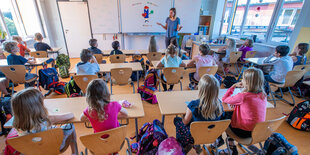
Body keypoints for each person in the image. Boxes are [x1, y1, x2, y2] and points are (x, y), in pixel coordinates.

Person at [4, 88, 78, 155]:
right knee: (70, 125)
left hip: (29, 151)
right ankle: (74, 153)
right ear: (37, 107)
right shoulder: (46, 120)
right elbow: (70, 115)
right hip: (52, 148)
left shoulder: (17, 123)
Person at [174, 74, 225, 154]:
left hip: (193, 136)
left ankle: (184, 145)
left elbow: (185, 122)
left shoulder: (193, 105)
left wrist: (183, 115)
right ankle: (196, 145)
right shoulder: (219, 105)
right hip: (212, 136)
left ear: (201, 89)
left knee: (177, 120)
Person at [221, 67, 267, 154]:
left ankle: (231, 147)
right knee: (233, 113)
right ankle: (250, 146)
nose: (242, 80)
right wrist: (237, 104)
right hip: (258, 132)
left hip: (243, 133)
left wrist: (233, 86)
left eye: (243, 78)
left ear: (247, 82)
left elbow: (224, 99)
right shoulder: (263, 95)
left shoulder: (243, 96)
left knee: (225, 116)